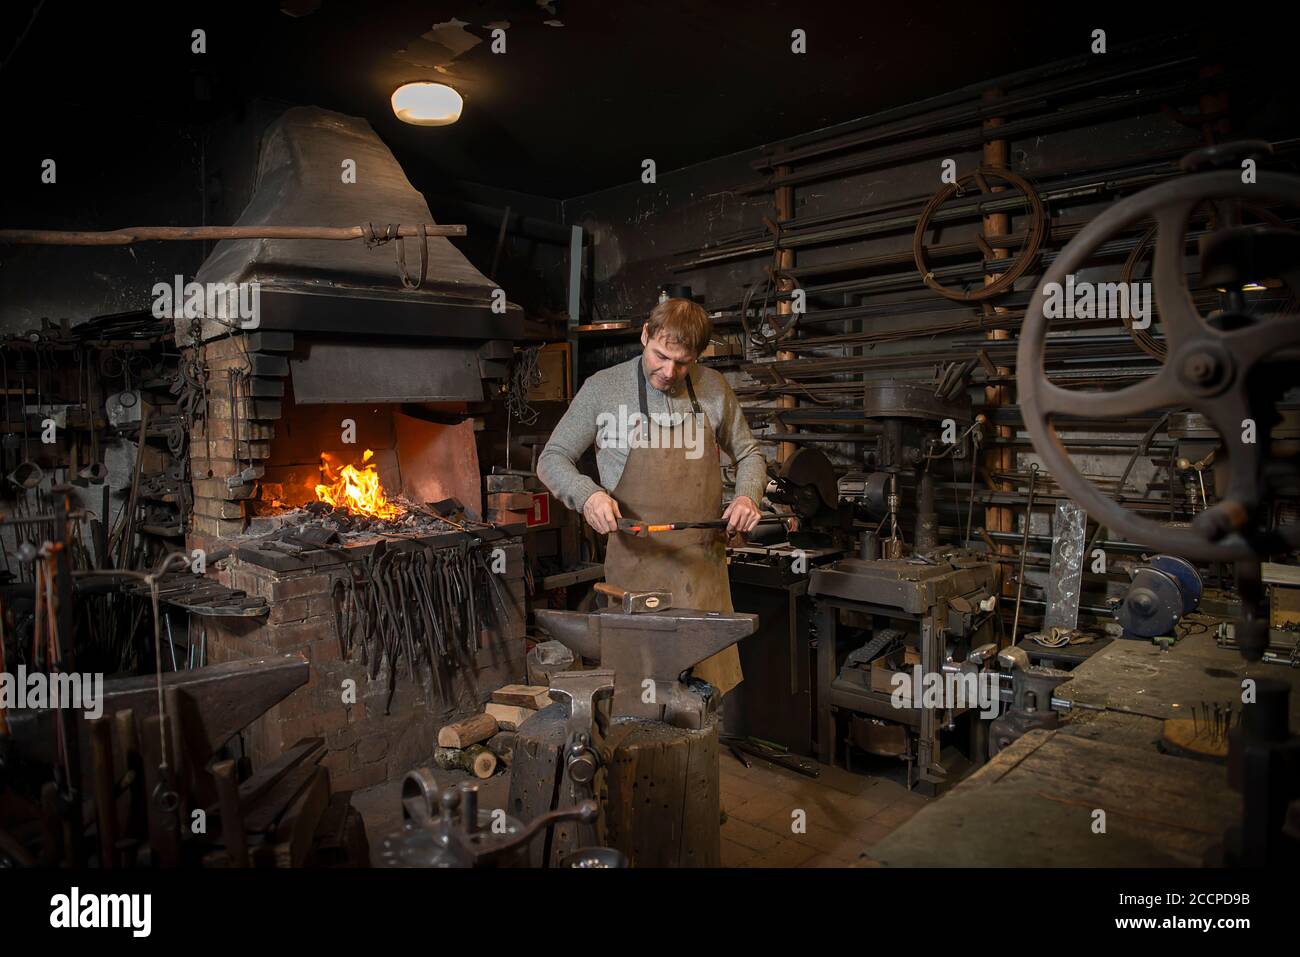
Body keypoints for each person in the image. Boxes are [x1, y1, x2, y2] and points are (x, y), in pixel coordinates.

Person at [537, 298, 768, 695]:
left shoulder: (714, 389)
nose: (668, 371)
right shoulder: (603, 390)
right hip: (636, 574)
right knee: (639, 694)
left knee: (703, 697)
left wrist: (748, 497)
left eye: (682, 362)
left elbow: (750, 454)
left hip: (702, 573)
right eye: (660, 356)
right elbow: (551, 458)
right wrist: (587, 495)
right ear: (645, 335)